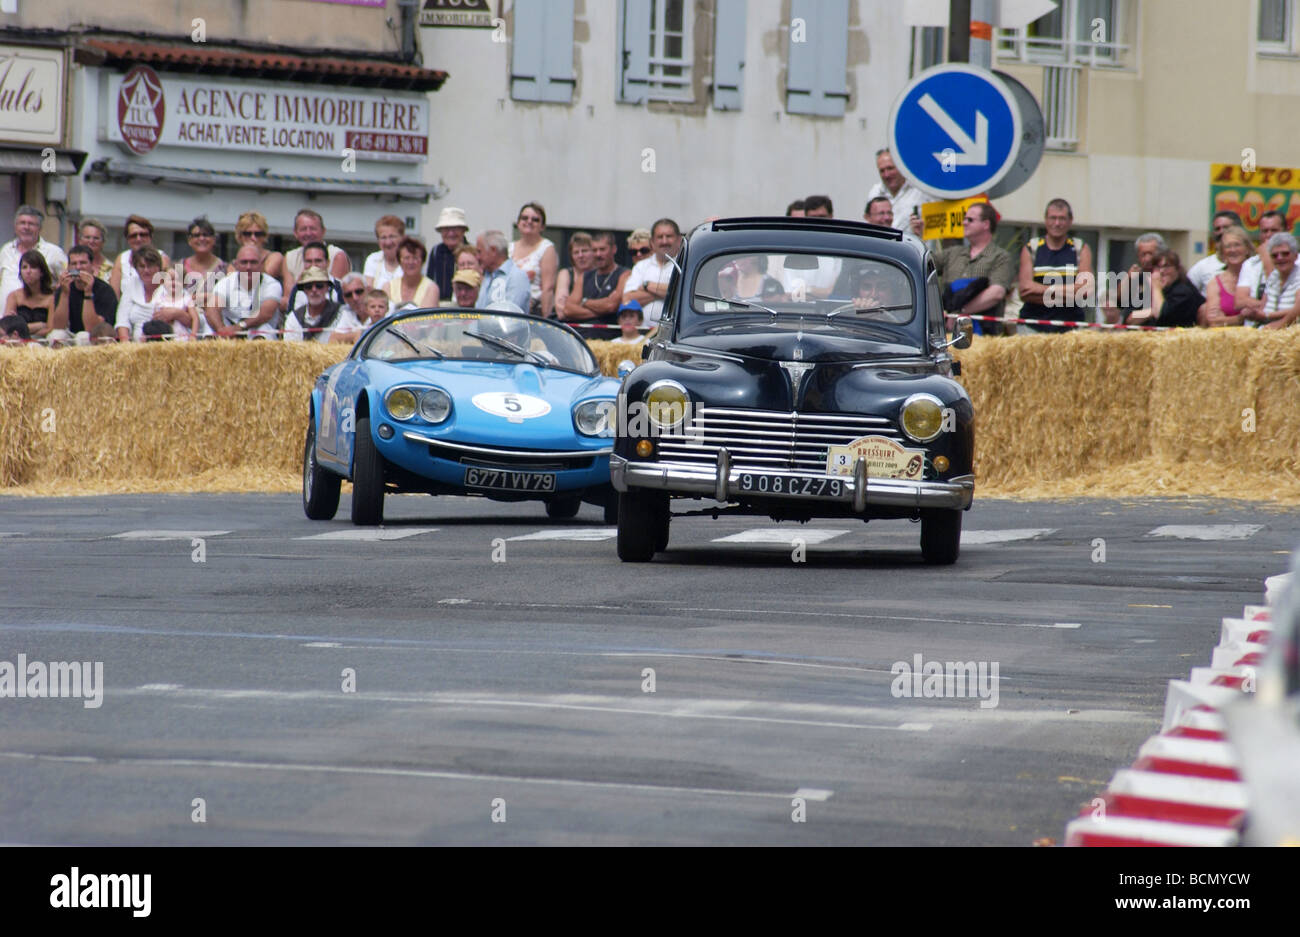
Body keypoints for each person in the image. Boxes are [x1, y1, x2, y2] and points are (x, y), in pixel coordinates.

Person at [932, 202, 1016, 335]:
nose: (964, 222)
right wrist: (918, 236)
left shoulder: (1000, 257)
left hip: (984, 337)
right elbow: (922, 265)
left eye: (970, 219)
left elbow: (996, 293)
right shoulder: (952, 253)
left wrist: (960, 313)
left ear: (986, 224)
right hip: (947, 335)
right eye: (964, 219)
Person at [1018, 198, 1095, 333]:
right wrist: (1069, 293)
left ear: (1070, 221)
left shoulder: (1080, 248)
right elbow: (1025, 290)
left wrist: (1040, 290)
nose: (1057, 223)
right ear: (1046, 220)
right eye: (1053, 218)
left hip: (1071, 328)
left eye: (1062, 218)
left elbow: (1085, 291)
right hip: (1032, 326)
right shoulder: (1032, 247)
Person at [115, 247, 198, 341]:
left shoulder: (172, 285)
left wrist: (177, 313)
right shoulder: (132, 285)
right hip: (137, 344)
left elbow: (195, 320)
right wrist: (126, 346)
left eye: (150, 266)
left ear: (158, 267)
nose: (146, 270)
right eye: (142, 266)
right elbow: (122, 321)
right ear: (136, 268)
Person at [206, 244, 283, 339]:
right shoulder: (225, 282)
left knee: (263, 330)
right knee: (208, 332)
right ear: (236, 264)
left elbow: (266, 313)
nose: (248, 267)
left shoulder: (272, 284)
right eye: (244, 262)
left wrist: (239, 327)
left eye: (253, 262)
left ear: (261, 265)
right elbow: (211, 309)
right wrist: (221, 329)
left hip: (258, 330)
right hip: (228, 329)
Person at [280, 209, 351, 311]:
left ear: (323, 231)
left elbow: (336, 295)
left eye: (313, 228)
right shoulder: (289, 257)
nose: (308, 233)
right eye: (303, 229)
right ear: (295, 233)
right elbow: (289, 297)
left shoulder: (337, 255)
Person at [0, 205, 67, 311]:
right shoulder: (6, 250)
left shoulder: (54, 252)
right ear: (15, 226)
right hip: (4, 319)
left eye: (31, 224)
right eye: (22, 223)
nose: (26, 227)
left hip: (38, 317)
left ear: (40, 228)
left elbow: (65, 281)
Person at [622, 218, 681, 327]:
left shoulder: (685, 265)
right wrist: (668, 293)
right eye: (660, 237)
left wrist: (647, 285)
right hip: (644, 334)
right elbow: (628, 300)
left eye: (669, 236)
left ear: (679, 240)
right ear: (652, 242)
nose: (664, 241)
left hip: (674, 334)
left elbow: (682, 293)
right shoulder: (641, 266)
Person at [561, 231, 629, 323]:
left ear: (614, 249)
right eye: (594, 250)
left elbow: (611, 305)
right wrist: (602, 310)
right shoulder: (584, 276)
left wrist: (584, 302)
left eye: (602, 249)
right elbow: (568, 310)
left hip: (609, 334)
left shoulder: (624, 274)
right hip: (582, 334)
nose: (598, 254)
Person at [51, 245, 118, 338]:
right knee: (56, 335)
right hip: (71, 335)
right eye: (74, 264)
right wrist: (65, 293)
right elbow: (58, 326)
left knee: (83, 336)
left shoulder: (105, 291)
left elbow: (93, 328)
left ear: (92, 265)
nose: (78, 267)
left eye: (83, 263)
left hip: (96, 337)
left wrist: (88, 293)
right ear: (69, 267)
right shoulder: (64, 288)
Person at [1126, 250, 1203, 328]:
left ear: (1177, 269)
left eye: (1166, 266)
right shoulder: (1149, 291)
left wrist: (1156, 288)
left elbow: (1161, 314)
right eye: (1157, 267)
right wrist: (1152, 311)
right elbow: (1130, 319)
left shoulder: (1183, 292)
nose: (1162, 271)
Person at [1235, 209, 1287, 320]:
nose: (1268, 235)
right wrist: (1264, 305)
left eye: (1274, 230)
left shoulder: (1297, 262)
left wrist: (1267, 260)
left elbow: (1281, 297)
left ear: (1285, 232)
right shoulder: (1250, 264)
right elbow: (1239, 301)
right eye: (1264, 231)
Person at [1101, 232, 1163, 325]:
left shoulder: (1168, 277)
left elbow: (1167, 309)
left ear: (1161, 253)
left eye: (1151, 254)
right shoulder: (1137, 277)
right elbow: (1119, 302)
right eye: (1143, 254)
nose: (1147, 259)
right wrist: (1127, 279)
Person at [285, 266, 359, 343]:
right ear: (304, 290)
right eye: (309, 287)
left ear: (327, 288)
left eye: (319, 286)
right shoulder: (293, 318)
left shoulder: (342, 313)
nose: (314, 290)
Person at [510, 201, 558, 317]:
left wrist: (545, 320)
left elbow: (548, 288)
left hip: (533, 311)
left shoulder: (547, 248)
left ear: (542, 226)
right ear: (518, 222)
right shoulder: (509, 248)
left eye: (535, 219)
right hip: (510, 307)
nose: (529, 222)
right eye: (524, 218)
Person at [1199, 226, 1252, 327]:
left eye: (1237, 245)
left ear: (1247, 249)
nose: (1233, 250)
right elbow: (1214, 322)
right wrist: (1241, 318)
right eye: (1228, 246)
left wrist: (1226, 319)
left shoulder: (1258, 277)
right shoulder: (1215, 283)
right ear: (1223, 253)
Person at [864, 149, 925, 237]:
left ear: (901, 166)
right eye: (882, 171)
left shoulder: (920, 190)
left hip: (915, 247)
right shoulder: (875, 192)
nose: (886, 175)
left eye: (890, 168)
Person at [108, 215, 168, 297]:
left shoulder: (161, 257)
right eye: (133, 236)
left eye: (143, 234)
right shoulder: (122, 259)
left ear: (150, 236)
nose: (138, 239)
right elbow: (114, 294)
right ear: (127, 239)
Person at [1186, 210, 1244, 294]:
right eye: (1217, 228)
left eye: (1226, 227)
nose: (1221, 231)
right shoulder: (1202, 267)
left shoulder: (1252, 266)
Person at [3, 249, 56, 339]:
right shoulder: (14, 296)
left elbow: (50, 328)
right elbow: (8, 328)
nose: (28, 271)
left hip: (43, 341)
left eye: (33, 267)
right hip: (18, 341)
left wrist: (28, 335)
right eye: (24, 267)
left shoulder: (51, 298)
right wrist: (39, 325)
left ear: (42, 272)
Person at [475, 230, 531, 310]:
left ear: (493, 250)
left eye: (479, 252)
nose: (477, 257)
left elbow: (510, 316)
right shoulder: (487, 276)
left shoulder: (517, 277)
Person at [180, 216, 226, 311]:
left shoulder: (224, 268)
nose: (201, 238)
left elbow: (226, 298)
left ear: (214, 239)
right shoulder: (181, 266)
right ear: (189, 240)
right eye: (196, 235)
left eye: (206, 235)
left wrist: (205, 297)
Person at [1257, 233, 1300, 329]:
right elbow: (1263, 307)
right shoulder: (1273, 276)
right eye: (1274, 255)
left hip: (1291, 331)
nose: (1280, 258)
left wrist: (1277, 323)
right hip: (1267, 329)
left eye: (1285, 253)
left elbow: (1298, 308)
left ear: (1296, 256)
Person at [426, 206, 469, 300]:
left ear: (463, 230)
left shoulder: (471, 252)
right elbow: (429, 281)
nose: (450, 234)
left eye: (455, 229)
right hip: (439, 307)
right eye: (446, 229)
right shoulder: (436, 251)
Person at [384, 237, 439, 309]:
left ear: (422, 261)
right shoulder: (388, 287)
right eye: (406, 258)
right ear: (399, 261)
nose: (411, 262)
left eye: (415, 258)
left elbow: (427, 318)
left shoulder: (431, 288)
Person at [287, 242, 344, 309]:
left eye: (318, 261)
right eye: (309, 261)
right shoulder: (297, 290)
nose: (313, 265)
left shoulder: (340, 288)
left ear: (327, 263)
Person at [234, 211, 285, 282]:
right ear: (240, 237)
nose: (253, 238)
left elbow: (263, 279)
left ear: (265, 236)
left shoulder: (274, 257)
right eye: (247, 234)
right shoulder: (234, 263)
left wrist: (252, 251)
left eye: (258, 234)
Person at [554, 232, 593, 320]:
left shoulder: (601, 274)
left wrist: (575, 307)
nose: (580, 256)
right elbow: (561, 310)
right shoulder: (565, 273)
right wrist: (597, 311)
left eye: (584, 251)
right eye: (576, 252)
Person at [718, 254, 783, 303]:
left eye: (743, 256)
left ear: (755, 258)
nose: (737, 260)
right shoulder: (729, 278)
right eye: (737, 256)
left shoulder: (771, 284)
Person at [364, 215, 404, 291]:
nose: (388, 242)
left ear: (402, 238)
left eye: (392, 236)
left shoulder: (410, 261)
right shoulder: (373, 260)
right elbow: (368, 293)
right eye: (383, 237)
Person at [77, 218, 113, 283]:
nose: (91, 241)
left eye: (96, 238)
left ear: (103, 242)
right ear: (79, 240)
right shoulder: (70, 266)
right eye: (87, 237)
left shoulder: (111, 270)